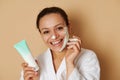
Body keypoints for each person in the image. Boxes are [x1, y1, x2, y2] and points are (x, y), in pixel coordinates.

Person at [20, 7, 100, 80]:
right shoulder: (34, 65)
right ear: (41, 34)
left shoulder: (88, 57)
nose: (54, 36)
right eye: (46, 32)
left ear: (69, 28)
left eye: (59, 28)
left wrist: (69, 63)